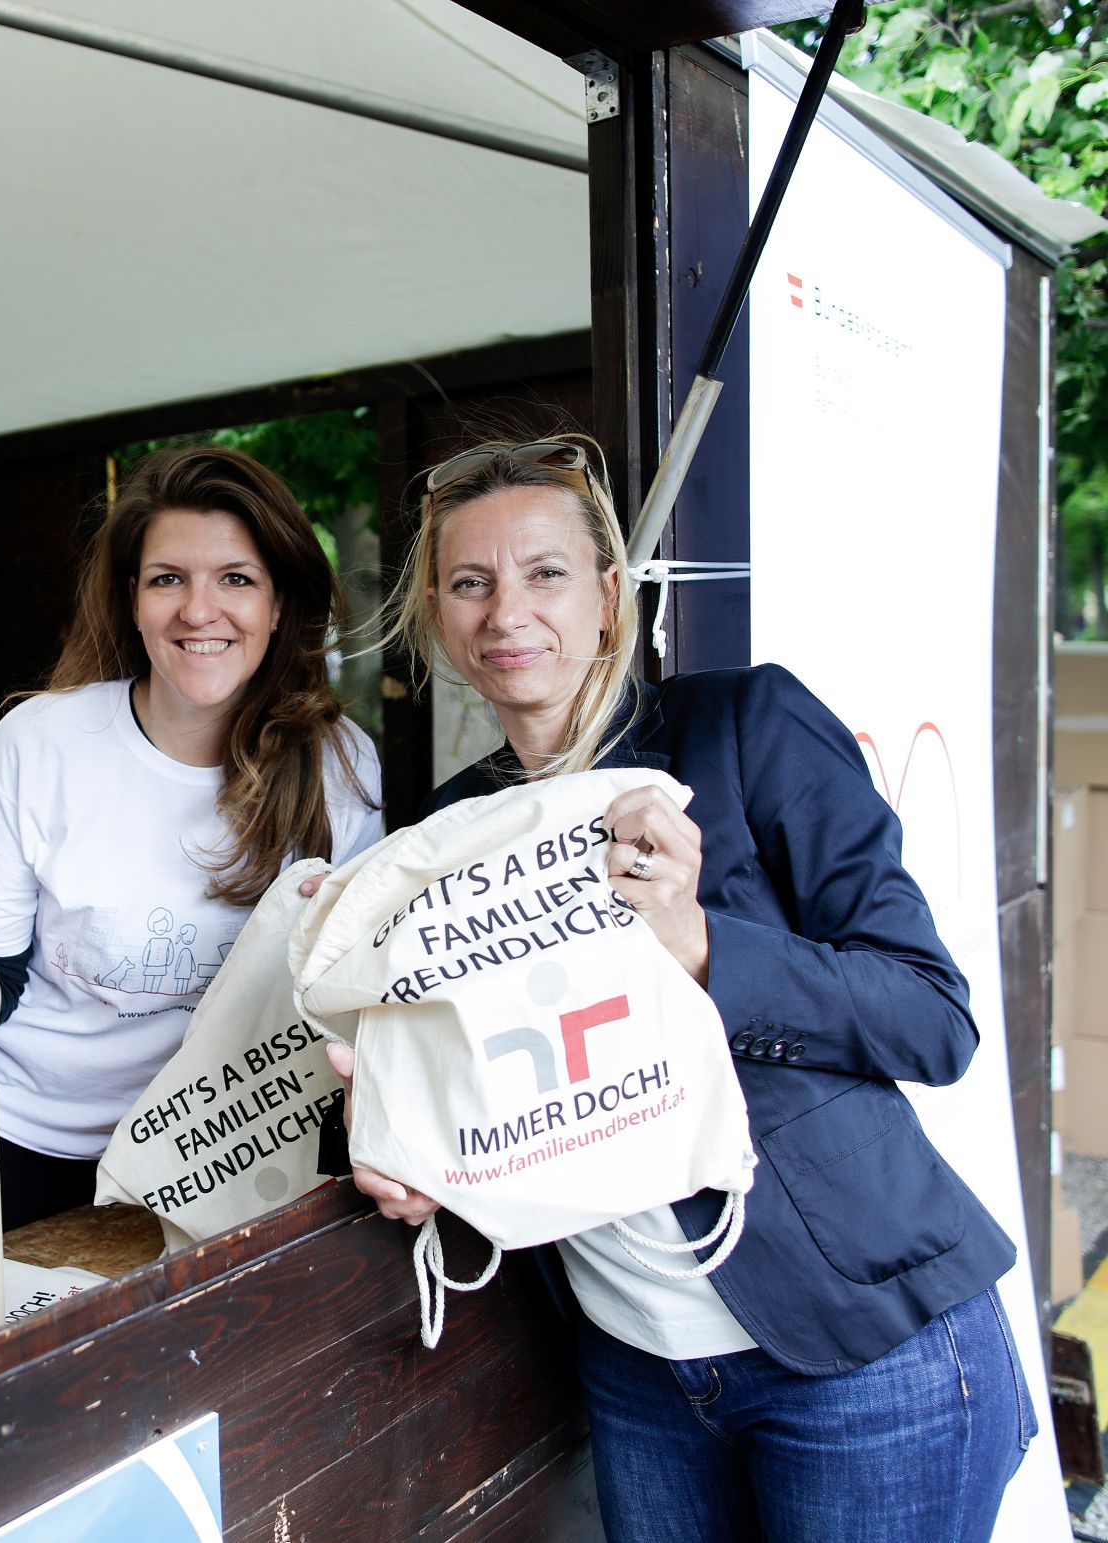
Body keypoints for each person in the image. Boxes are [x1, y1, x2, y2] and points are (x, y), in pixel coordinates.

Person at [332, 437, 1034, 1542]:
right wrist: (415, 1149)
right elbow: (496, 1089)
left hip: (860, 1352)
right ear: (436, 618)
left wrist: (698, 941)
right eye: (469, 583)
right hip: (638, 1371)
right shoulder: (443, 838)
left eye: (544, 574)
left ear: (610, 598)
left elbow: (929, 1017)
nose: (506, 610)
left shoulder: (741, 728)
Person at [0, 445, 383, 1230]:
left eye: (236, 578)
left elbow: (340, 993)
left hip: (216, 1149)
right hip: (10, 1136)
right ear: (133, 598)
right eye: (169, 579)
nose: (200, 609)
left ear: (279, 602)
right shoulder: (40, 743)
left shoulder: (340, 764)